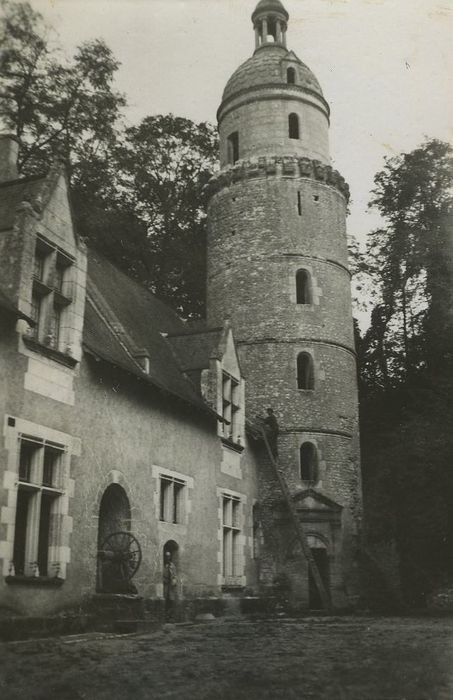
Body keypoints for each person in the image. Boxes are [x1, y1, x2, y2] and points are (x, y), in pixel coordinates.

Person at [163, 551, 178, 621]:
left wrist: (174, 581)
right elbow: (162, 575)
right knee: (166, 600)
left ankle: (171, 616)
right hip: (166, 585)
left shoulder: (172, 566)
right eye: (166, 556)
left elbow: (174, 575)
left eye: (168, 556)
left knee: (171, 600)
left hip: (171, 586)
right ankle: (166, 616)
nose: (167, 558)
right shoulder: (164, 565)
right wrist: (164, 580)